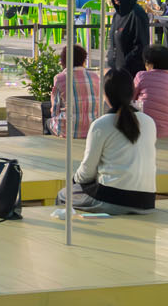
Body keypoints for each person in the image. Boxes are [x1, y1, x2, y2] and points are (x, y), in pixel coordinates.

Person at [57, 69, 157, 215]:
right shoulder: (149, 122)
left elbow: (87, 171)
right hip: (146, 201)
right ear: (132, 92)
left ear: (105, 95)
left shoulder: (101, 124)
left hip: (112, 199)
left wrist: (74, 181)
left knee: (63, 194)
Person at [50, 43, 101, 138]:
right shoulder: (95, 77)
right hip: (93, 128)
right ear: (83, 60)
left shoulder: (60, 78)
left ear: (64, 61)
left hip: (68, 131)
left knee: (48, 122)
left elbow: (55, 110)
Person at [132, 44, 168, 138]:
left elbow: (131, 99)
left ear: (148, 63)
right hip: (164, 131)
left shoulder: (141, 76)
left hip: (142, 129)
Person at [106, 0, 150, 78]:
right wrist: (111, 58)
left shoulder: (137, 14)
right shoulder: (117, 14)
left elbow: (141, 46)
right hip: (117, 71)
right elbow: (113, 42)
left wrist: (124, 64)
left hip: (132, 73)